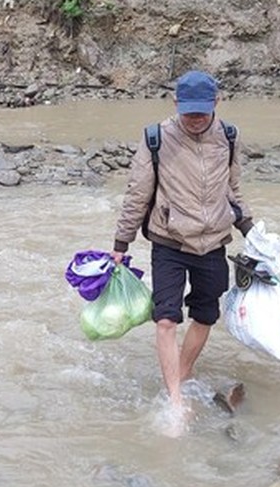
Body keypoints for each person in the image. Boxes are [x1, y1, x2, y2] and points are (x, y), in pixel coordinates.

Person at [109, 70, 255, 432]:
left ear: (216, 104)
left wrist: (251, 231)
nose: (194, 119)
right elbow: (137, 193)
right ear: (175, 104)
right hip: (169, 241)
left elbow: (233, 190)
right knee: (166, 319)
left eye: (201, 112)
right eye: (188, 112)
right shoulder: (156, 138)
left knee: (205, 317)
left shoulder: (230, 138)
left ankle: (180, 375)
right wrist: (120, 245)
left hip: (214, 242)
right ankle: (176, 400)